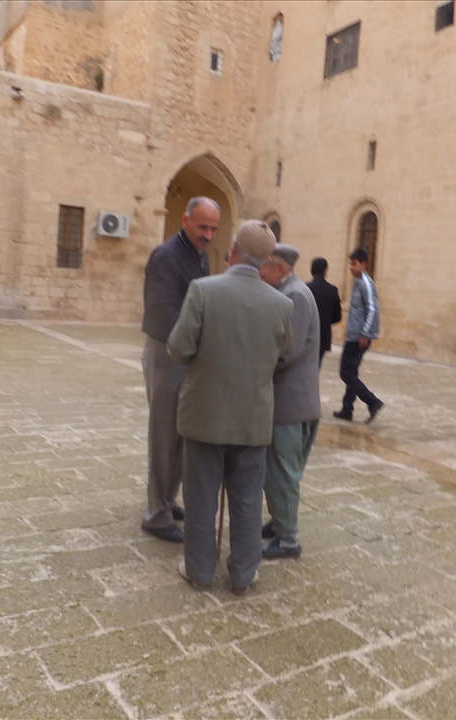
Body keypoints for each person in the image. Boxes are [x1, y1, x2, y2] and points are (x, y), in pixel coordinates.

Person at [167, 220, 293, 595]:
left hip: (204, 413)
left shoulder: (203, 290)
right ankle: (243, 574)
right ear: (264, 259)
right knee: (248, 498)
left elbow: (178, 348)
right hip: (253, 418)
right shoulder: (282, 303)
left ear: (234, 248)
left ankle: (200, 571)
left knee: (201, 497)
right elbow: (283, 355)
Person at [139, 197, 218, 543]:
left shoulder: (198, 255)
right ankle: (156, 515)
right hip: (167, 354)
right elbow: (161, 312)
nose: (209, 234)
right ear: (185, 221)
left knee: (180, 434)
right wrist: (193, 344)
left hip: (185, 356)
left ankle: (168, 501)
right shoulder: (167, 256)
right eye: (203, 226)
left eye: (214, 228)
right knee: (164, 435)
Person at [258, 244, 320, 559]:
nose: (259, 272)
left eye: (263, 267)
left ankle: (288, 540)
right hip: (294, 402)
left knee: (283, 472)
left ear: (279, 269)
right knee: (280, 470)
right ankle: (280, 522)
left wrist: (251, 363)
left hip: (290, 403)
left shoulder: (293, 296)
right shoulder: (292, 291)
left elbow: (287, 351)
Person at [333, 249, 384, 423]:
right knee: (351, 373)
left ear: (364, 264)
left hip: (360, 338)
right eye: (350, 263)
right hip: (354, 336)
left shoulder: (366, 284)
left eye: (354, 264)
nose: (351, 267)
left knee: (345, 373)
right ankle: (347, 409)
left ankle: (372, 401)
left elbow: (372, 309)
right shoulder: (358, 282)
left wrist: (364, 334)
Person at [307, 257, 342, 367]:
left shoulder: (305, 288)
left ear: (311, 271)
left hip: (306, 335)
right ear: (325, 272)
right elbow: (337, 316)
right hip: (323, 336)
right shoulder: (332, 290)